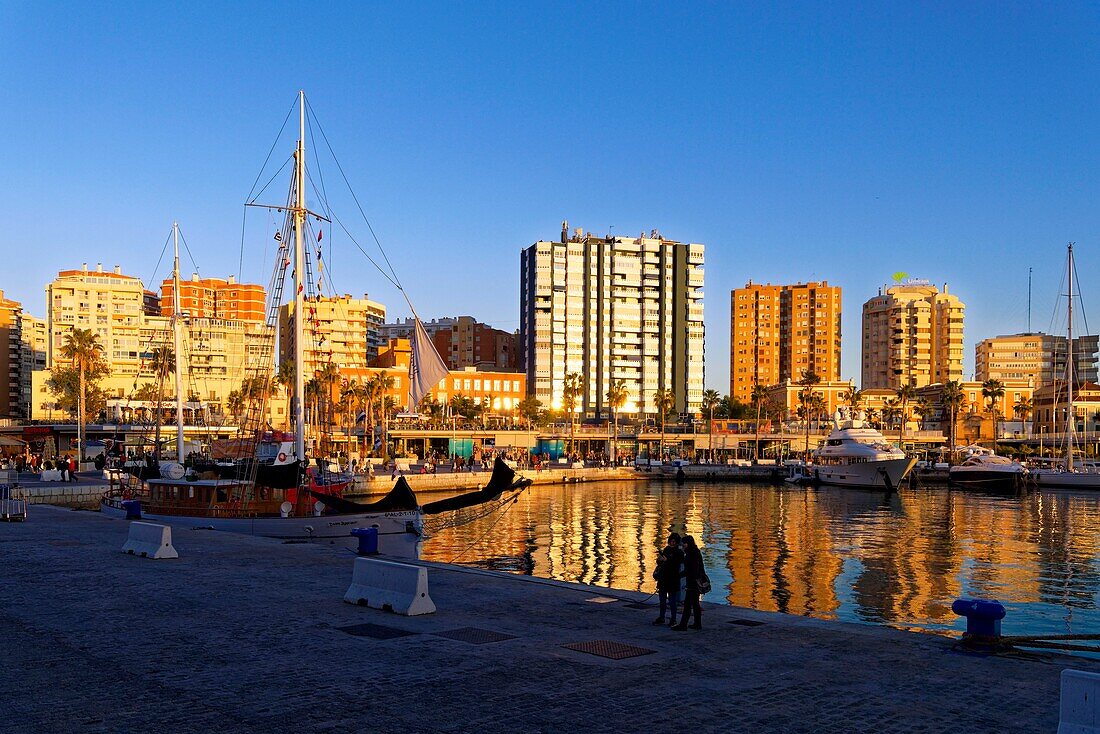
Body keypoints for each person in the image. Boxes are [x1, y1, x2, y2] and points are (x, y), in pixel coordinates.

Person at [673, 535, 704, 631]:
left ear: (688, 544)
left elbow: (690, 570)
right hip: (697, 581)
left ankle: (683, 625)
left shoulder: (691, 554)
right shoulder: (696, 552)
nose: (682, 546)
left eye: (684, 544)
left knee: (687, 604)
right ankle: (697, 624)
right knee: (695, 604)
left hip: (692, 583)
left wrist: (679, 575)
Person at [653, 532, 683, 626]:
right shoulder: (666, 549)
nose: (672, 543)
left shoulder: (679, 552)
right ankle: (662, 617)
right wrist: (660, 560)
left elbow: (677, 564)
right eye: (671, 541)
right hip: (663, 579)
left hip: (672, 579)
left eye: (674, 541)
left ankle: (673, 619)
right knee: (662, 600)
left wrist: (668, 560)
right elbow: (659, 562)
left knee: (672, 601)